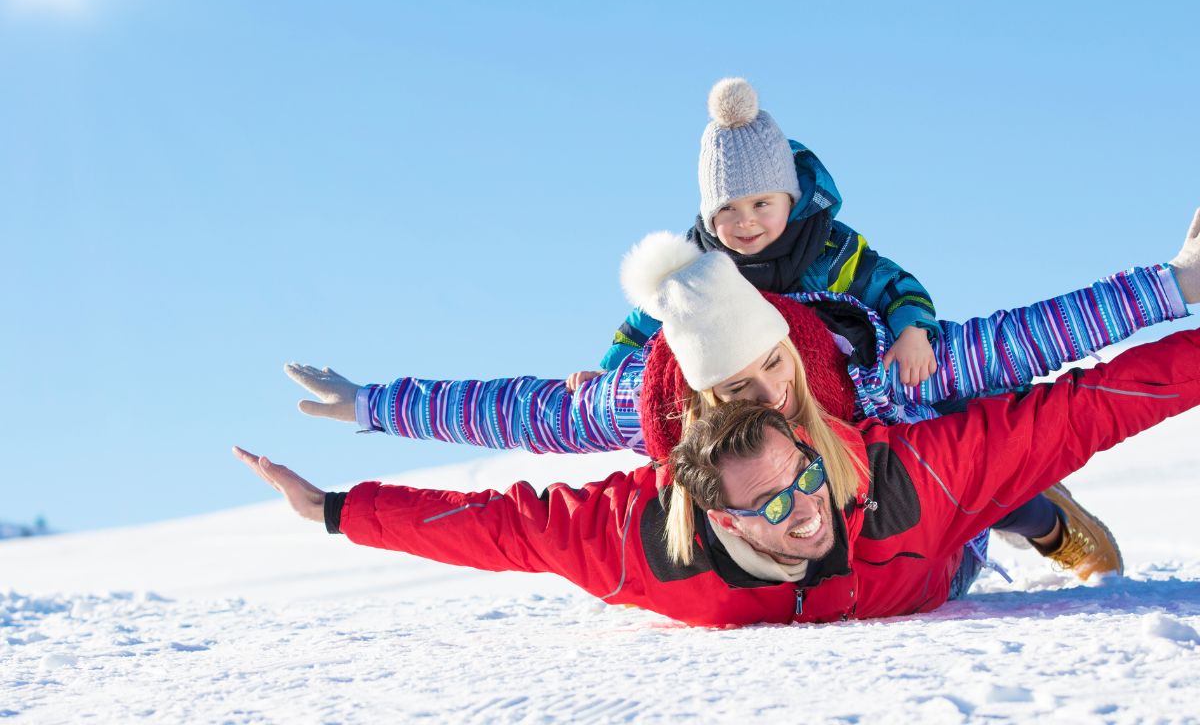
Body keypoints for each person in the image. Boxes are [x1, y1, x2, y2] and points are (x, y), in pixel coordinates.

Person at [283, 212, 1199, 578]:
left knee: (978, 461)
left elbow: (1044, 335)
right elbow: (516, 411)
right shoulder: (649, 407)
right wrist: (372, 405)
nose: (765, 394)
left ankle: (1040, 518)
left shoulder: (871, 365)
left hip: (924, 502)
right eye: (734, 387)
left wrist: (1180, 285)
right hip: (815, 541)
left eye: (771, 367)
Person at [234, 291, 1200, 627]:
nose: (805, 513)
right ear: (720, 514)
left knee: (1003, 464)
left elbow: (1092, 400)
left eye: (802, 482)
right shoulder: (644, 547)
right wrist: (334, 504)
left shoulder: (880, 454)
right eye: (772, 508)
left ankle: (1043, 515)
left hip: (941, 539)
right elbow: (502, 518)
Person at [572, 77, 940, 390]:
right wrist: (607, 375)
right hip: (744, 397)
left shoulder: (828, 250)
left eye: (761, 205)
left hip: (835, 378)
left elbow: (892, 284)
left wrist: (913, 332)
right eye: (727, 210)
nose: (745, 222)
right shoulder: (697, 266)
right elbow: (643, 327)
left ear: (791, 201)